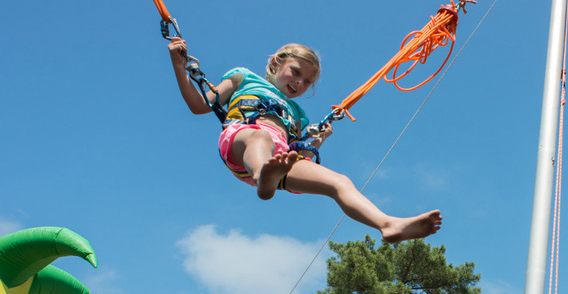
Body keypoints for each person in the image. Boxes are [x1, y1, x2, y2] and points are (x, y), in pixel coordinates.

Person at [167, 39, 442, 243]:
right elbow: (200, 105)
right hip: (243, 139)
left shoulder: (298, 115)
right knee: (261, 137)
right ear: (276, 63)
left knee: (340, 182)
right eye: (296, 72)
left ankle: (387, 224)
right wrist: (179, 65)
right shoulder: (243, 78)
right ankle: (265, 176)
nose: (300, 83)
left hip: (278, 161)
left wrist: (316, 144)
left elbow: (296, 157)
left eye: (307, 82)